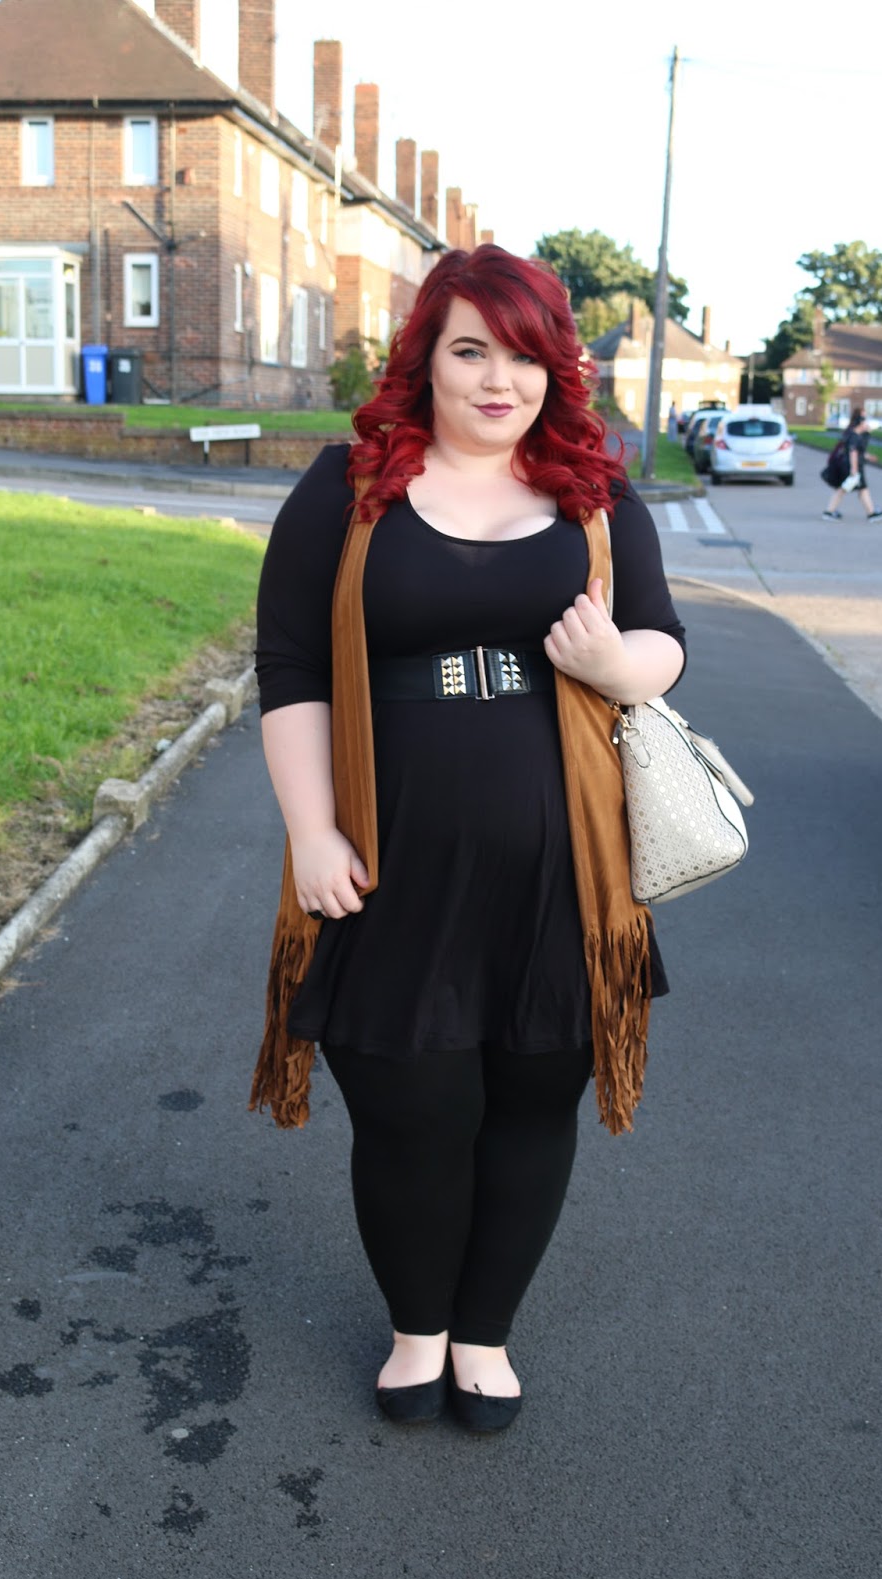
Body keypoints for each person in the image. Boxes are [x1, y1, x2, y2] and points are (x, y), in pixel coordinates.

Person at [250, 244, 686, 1433]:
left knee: (533, 1102)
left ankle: (484, 1334)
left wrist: (617, 663)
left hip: (564, 871)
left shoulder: (593, 495)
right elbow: (290, 664)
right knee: (410, 1109)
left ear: (557, 368)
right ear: (426, 360)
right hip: (390, 862)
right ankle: (418, 1330)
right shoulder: (349, 487)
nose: (501, 380)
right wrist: (310, 830)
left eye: (526, 355)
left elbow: (662, 642)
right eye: (471, 351)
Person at [822, 408, 882, 521]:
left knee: (852, 489)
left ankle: (830, 511)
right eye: (864, 419)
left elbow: (859, 452)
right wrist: (854, 469)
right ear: (860, 421)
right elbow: (853, 452)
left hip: (850, 466)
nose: (866, 422)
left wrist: (868, 456)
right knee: (854, 489)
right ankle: (870, 513)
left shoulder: (853, 434)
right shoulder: (854, 436)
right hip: (852, 467)